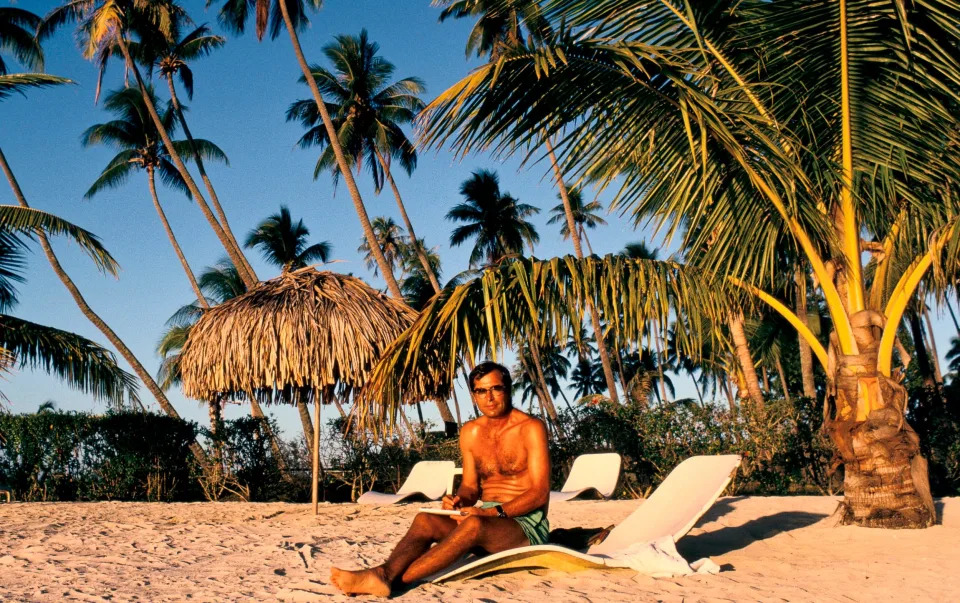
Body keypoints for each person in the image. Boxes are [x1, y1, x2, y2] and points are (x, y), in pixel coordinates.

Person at [330, 361, 551, 596]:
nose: (490, 397)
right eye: (481, 391)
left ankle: (386, 577)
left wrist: (487, 514)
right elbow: (470, 487)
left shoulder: (530, 428)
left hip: (525, 526)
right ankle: (383, 576)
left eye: (496, 388)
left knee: (474, 524)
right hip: (486, 520)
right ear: (474, 395)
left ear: (508, 389)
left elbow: (539, 493)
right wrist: (459, 501)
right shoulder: (471, 432)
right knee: (425, 519)